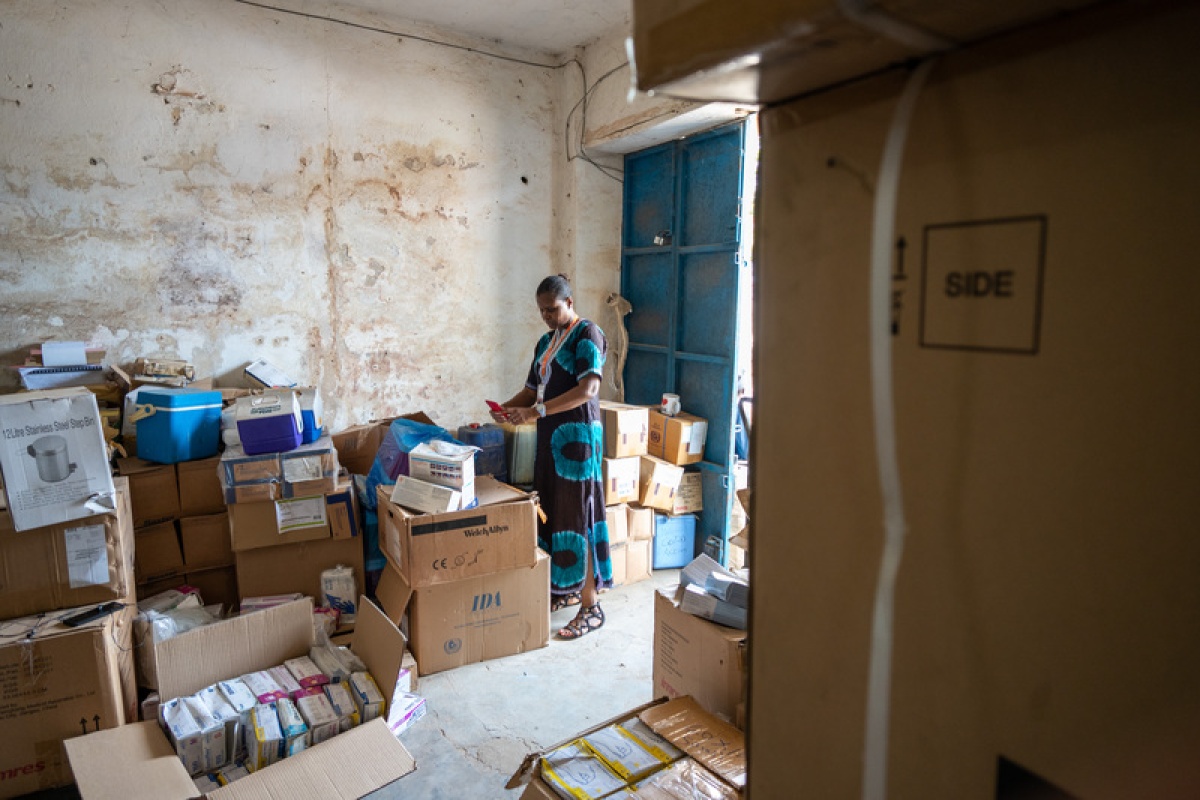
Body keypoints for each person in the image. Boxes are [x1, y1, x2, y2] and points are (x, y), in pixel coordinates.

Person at [492, 274, 612, 640]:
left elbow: (587, 389)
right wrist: (502, 410)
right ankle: (564, 589)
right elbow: (531, 392)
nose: (546, 316)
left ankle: (591, 604)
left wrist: (537, 412)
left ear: (570, 303)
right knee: (555, 514)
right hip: (549, 443)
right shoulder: (546, 342)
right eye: (542, 311)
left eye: (553, 309)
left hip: (577, 440)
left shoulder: (586, 334)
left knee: (582, 514)